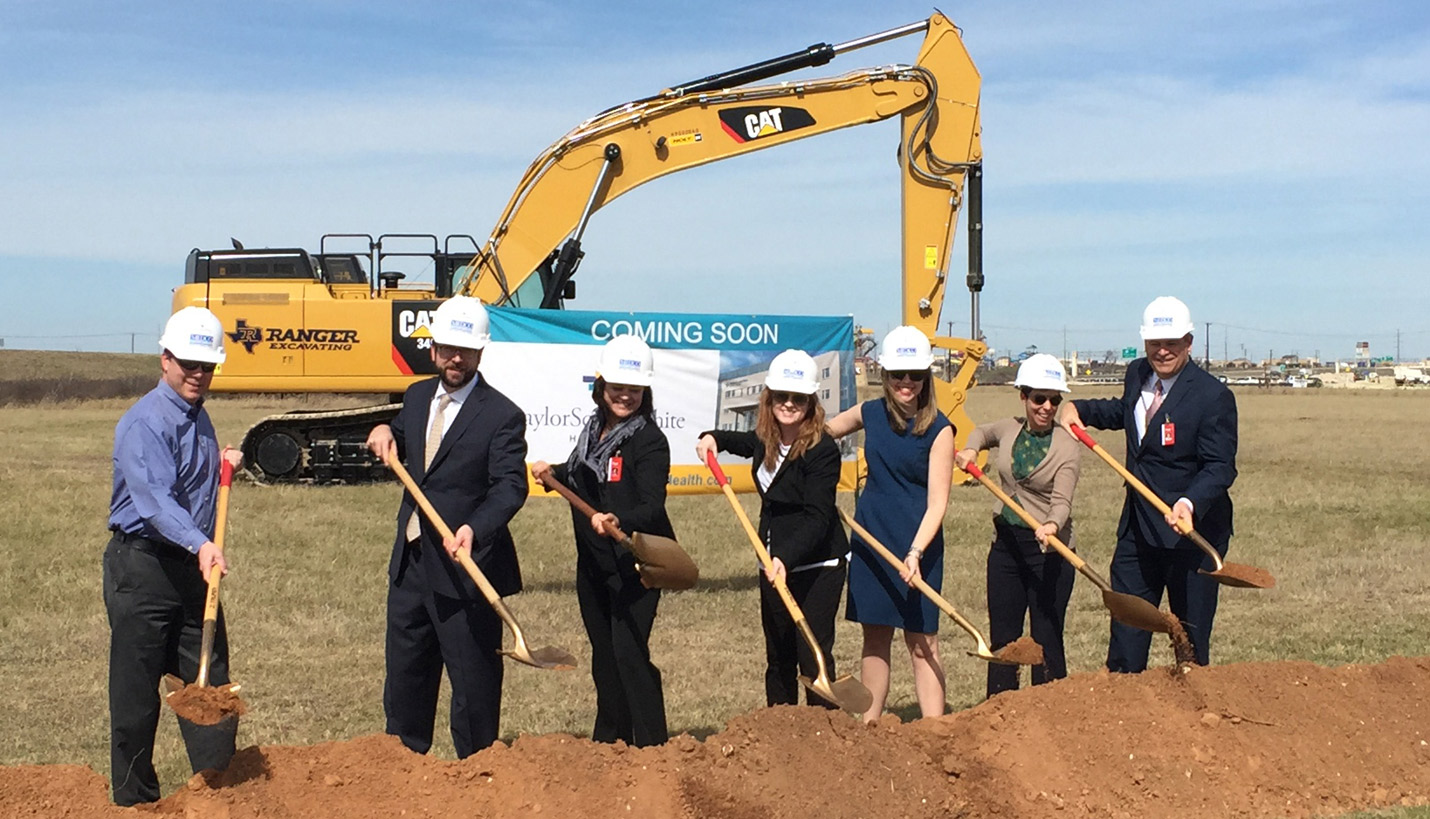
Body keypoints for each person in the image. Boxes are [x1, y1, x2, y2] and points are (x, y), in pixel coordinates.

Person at [365, 296, 529, 757]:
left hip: (465, 568)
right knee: (405, 677)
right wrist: (385, 430)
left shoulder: (501, 414)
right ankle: (403, 767)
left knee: (472, 683)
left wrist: (475, 528)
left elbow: (509, 487)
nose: (456, 358)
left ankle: (475, 776)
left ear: (480, 353)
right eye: (448, 348)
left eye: (466, 350)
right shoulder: (417, 397)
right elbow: (401, 436)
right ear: (434, 349)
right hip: (412, 563)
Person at [105, 306, 243, 806]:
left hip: (192, 568)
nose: (197, 373)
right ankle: (135, 801)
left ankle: (216, 794)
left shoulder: (198, 415)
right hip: (142, 568)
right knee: (137, 692)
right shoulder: (144, 422)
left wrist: (224, 466)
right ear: (165, 359)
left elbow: (191, 490)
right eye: (187, 363)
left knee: (212, 684)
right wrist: (203, 543)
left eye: (206, 365)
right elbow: (156, 503)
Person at [1059, 296, 1237, 671]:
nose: (1163, 351)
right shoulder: (1137, 373)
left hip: (1192, 535)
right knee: (1127, 630)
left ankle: (1192, 717)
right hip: (1138, 531)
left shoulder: (1213, 397)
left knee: (1189, 640)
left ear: (1189, 342)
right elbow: (1126, 411)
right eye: (1155, 343)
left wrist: (1189, 503)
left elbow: (1219, 467)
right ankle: (1125, 711)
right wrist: (1082, 410)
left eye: (1172, 342)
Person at [530, 335, 673, 747]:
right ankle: (611, 741)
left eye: (633, 389)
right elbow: (581, 475)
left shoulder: (648, 440)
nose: (624, 396)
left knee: (629, 654)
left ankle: (652, 746)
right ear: (601, 387)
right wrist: (553, 471)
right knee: (604, 657)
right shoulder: (594, 429)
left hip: (635, 563)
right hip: (593, 563)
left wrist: (617, 518)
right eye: (617, 388)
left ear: (644, 392)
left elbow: (651, 505)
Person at [695, 349, 848, 709]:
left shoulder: (822, 450)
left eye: (798, 398)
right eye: (782, 396)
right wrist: (712, 437)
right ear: (770, 398)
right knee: (778, 654)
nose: (789, 404)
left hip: (816, 565)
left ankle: (824, 737)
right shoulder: (767, 438)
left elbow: (818, 517)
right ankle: (780, 737)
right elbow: (743, 442)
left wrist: (786, 559)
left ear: (810, 401)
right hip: (772, 560)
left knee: (813, 655)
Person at [826, 326, 953, 722]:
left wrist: (915, 553)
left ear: (925, 378)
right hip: (871, 539)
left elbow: (937, 505)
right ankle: (871, 728)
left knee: (922, 641)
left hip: (918, 545)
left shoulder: (940, 429)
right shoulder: (869, 414)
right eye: (898, 374)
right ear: (885, 374)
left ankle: (936, 732)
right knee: (875, 635)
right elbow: (823, 434)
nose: (906, 383)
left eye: (915, 375)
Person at [954, 353, 1081, 697]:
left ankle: (1048, 712)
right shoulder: (1010, 428)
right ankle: (1000, 710)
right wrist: (969, 449)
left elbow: (1062, 501)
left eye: (1054, 400)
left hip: (1049, 551)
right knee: (1004, 638)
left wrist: (1053, 525)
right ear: (1023, 396)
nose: (1046, 407)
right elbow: (981, 432)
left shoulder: (1067, 448)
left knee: (1046, 637)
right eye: (1039, 398)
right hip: (1006, 548)